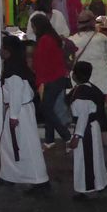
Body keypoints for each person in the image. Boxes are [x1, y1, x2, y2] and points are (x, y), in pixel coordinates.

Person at [0, 35, 50, 193]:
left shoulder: (13, 71)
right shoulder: (15, 66)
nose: (0, 50)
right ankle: (9, 175)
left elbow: (16, 93)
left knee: (27, 145)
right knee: (10, 145)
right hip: (19, 110)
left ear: (8, 50)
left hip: (19, 112)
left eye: (2, 47)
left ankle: (40, 180)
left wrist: (13, 117)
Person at [68, 61, 107, 199]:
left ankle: (89, 188)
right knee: (94, 157)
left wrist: (77, 136)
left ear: (75, 75)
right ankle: (101, 180)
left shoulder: (82, 94)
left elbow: (83, 117)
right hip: (92, 127)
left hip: (86, 130)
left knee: (87, 159)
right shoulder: (89, 88)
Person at [31, 13, 72, 149]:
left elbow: (42, 63)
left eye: (33, 27)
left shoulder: (45, 40)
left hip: (50, 79)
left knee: (46, 108)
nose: (33, 30)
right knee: (49, 108)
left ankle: (67, 136)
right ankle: (49, 140)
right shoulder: (52, 38)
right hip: (57, 78)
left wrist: (40, 83)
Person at [69, 10, 107, 98]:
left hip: (80, 79)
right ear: (93, 22)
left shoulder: (71, 40)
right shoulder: (103, 38)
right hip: (101, 78)